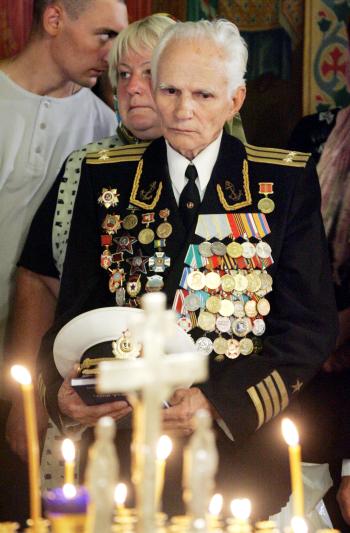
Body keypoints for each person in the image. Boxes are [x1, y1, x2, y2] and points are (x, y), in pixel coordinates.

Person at [38, 19, 337, 520]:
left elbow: (309, 326)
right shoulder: (107, 177)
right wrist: (60, 396)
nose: (182, 110)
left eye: (203, 94)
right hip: (123, 456)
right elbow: (72, 317)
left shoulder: (282, 182)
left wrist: (218, 404)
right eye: (170, 89)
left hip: (238, 459)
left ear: (235, 100)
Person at [6, 12, 246, 471]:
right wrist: (32, 398)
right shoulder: (90, 167)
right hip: (105, 410)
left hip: (218, 426)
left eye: (151, 74)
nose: (135, 88)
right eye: (122, 74)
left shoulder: (253, 177)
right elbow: (41, 278)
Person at [0, 0, 128, 524]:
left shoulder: (107, 124)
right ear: (55, 21)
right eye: (103, 35)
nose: (111, 54)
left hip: (36, 345)